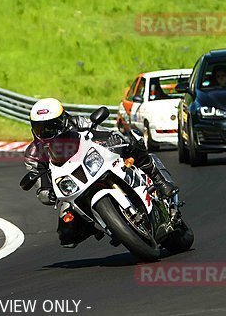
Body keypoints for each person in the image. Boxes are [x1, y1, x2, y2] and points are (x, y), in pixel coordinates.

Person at [24, 98, 178, 248]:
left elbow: (102, 132)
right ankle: (104, 224)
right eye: (40, 127)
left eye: (51, 125)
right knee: (66, 232)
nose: (46, 131)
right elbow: (39, 180)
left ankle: (159, 180)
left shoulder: (78, 123)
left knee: (132, 143)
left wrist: (113, 139)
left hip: (93, 162)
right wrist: (46, 193)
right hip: (71, 184)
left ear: (63, 119)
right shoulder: (33, 153)